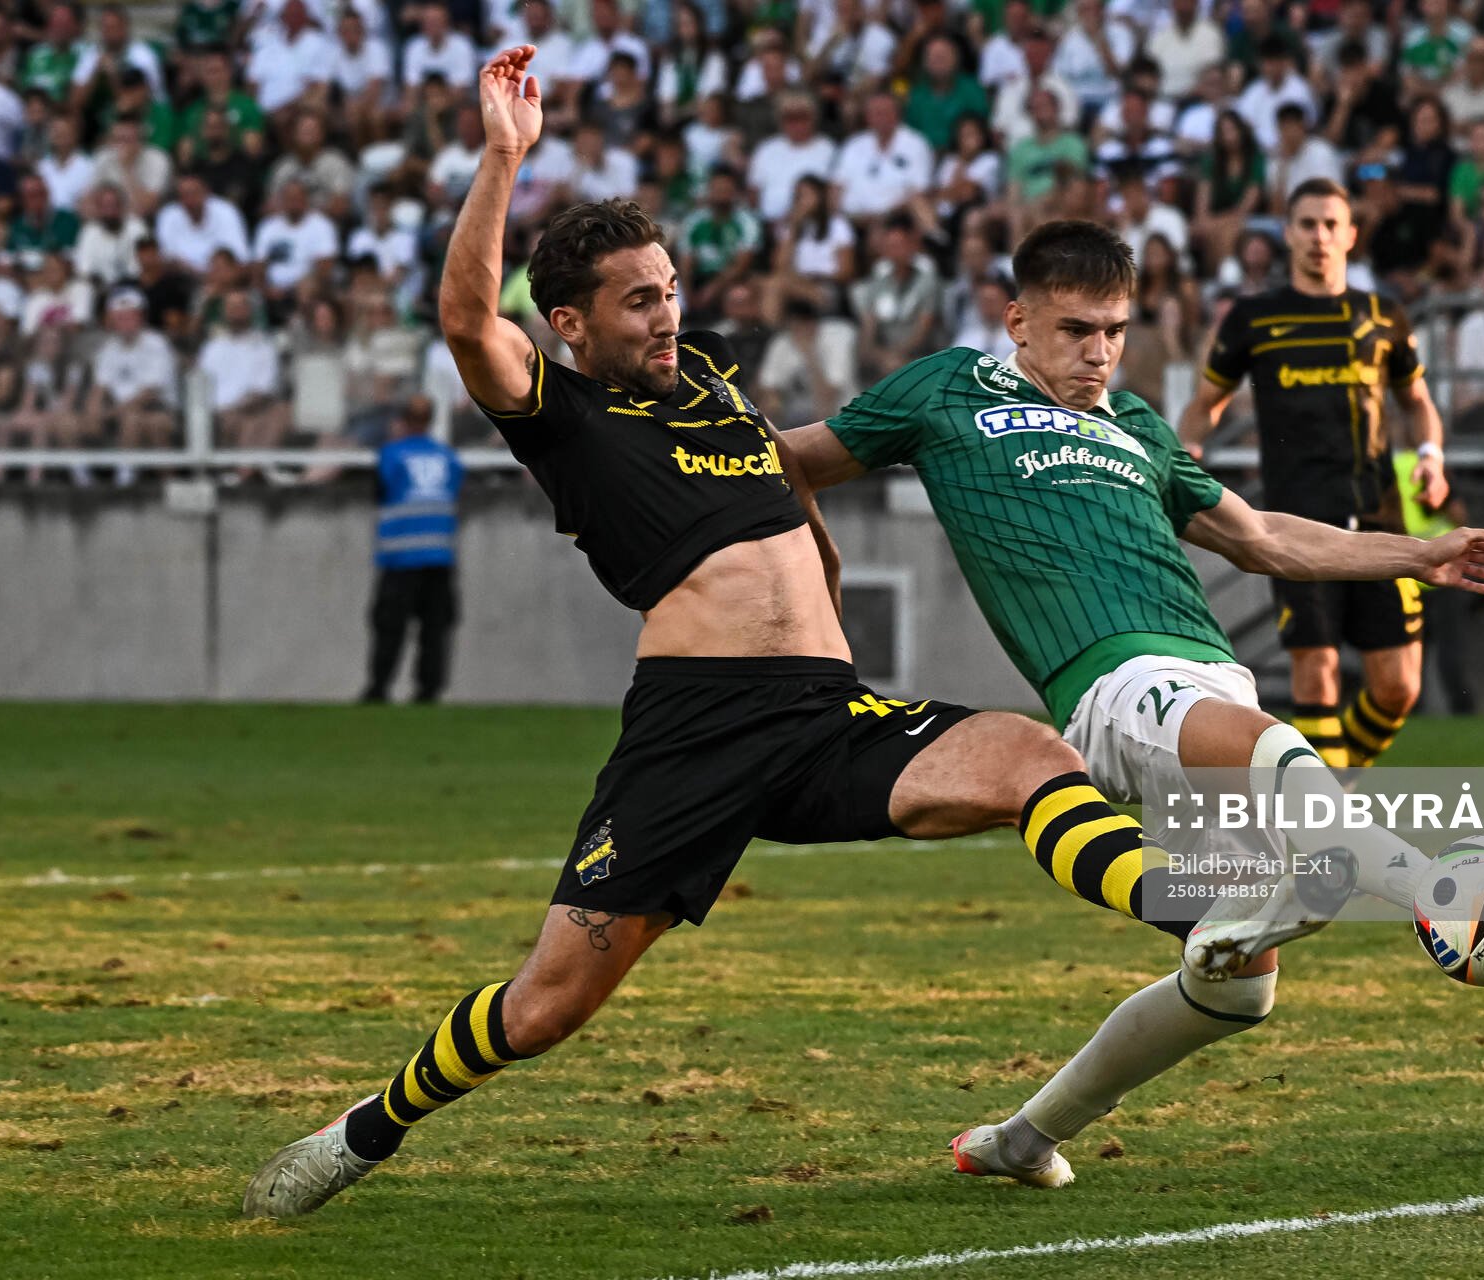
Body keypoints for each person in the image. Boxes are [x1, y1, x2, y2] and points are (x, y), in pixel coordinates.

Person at [243, 46, 1218, 1219]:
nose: (667, 315)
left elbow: (785, 490)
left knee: (1024, 755)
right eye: (638, 300)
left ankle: (1206, 909)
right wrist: (504, 157)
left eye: (669, 289)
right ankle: (364, 1129)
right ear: (569, 322)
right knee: (548, 1003)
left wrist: (825, 576)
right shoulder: (564, 414)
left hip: (821, 711)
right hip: (695, 733)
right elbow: (464, 318)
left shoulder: (714, 381)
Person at [780, 218, 1484, 1187]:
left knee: (1237, 993)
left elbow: (1264, 538)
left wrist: (1416, 551)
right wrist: (814, 572)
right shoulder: (948, 388)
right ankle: (1442, 896)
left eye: (1115, 331)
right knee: (1279, 755)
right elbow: (786, 459)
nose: (1098, 353)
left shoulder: (1136, 423)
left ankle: (1024, 1138)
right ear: (1018, 321)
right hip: (1113, 685)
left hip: (1209, 676)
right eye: (1076, 330)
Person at [1179, 178, 1452, 773]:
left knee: (1397, 687)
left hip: (1379, 518)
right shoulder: (1254, 318)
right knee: (1317, 668)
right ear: (1288, 234)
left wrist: (1431, 455)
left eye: (1331, 224)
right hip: (1294, 524)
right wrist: (1188, 450)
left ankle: (1329, 787)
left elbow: (1418, 402)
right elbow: (1205, 403)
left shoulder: (1382, 316)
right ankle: (1327, 818)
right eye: (1307, 224)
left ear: (1351, 234)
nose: (1319, 236)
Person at [364, 395, 463, 704]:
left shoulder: (391, 454)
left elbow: (380, 494)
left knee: (389, 626)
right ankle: (428, 691)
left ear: (403, 420)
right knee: (435, 628)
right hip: (439, 556)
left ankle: (379, 687)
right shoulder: (447, 456)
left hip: (400, 557)